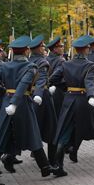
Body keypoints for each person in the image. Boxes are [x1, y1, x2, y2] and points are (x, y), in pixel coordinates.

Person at [0, 36, 57, 185]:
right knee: (33, 135)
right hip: (22, 103)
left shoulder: (4, 66)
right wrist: (15, 102)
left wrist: (2, 92)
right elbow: (23, 85)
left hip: (7, 103)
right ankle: (44, 167)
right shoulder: (30, 67)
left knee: (1, 138)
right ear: (27, 50)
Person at [49, 35, 94, 177]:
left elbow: (53, 79)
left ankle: (58, 165)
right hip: (84, 100)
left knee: (65, 132)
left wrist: (67, 88)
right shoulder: (90, 65)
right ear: (86, 49)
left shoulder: (65, 64)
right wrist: (91, 96)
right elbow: (89, 82)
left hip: (69, 99)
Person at [27, 35, 58, 168]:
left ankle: (9, 157)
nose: (44, 49)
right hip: (43, 97)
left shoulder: (27, 61)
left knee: (33, 127)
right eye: (42, 47)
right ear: (38, 49)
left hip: (29, 95)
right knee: (52, 129)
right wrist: (41, 92)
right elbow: (42, 79)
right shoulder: (43, 62)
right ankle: (53, 161)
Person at [46, 37, 66, 116]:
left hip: (45, 90)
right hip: (57, 91)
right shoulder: (61, 60)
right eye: (60, 46)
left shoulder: (45, 59)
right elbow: (56, 76)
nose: (62, 48)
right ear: (54, 49)